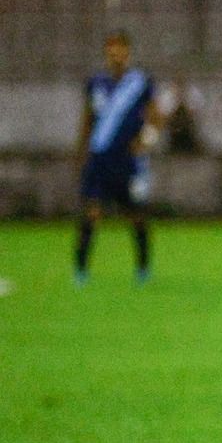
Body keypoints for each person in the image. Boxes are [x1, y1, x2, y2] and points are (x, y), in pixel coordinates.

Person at [74, 30, 163, 285]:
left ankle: (143, 268)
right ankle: (81, 269)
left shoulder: (140, 82)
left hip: (127, 161)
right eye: (111, 48)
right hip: (99, 159)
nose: (115, 53)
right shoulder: (96, 83)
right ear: (105, 51)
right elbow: (87, 119)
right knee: (91, 212)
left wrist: (145, 141)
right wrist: (81, 152)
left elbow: (156, 118)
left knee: (135, 214)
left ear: (128, 51)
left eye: (120, 48)